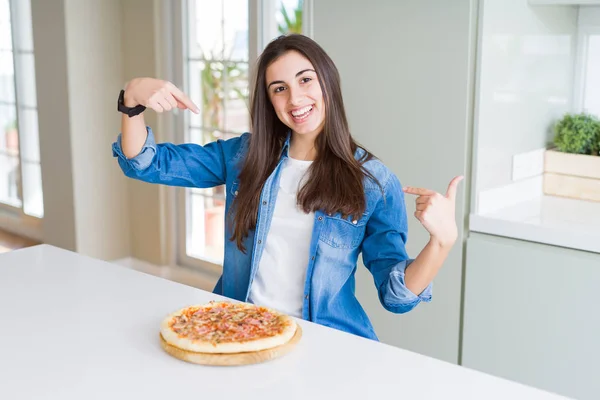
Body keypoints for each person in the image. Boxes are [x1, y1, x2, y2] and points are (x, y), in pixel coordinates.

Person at [112, 34, 463, 341]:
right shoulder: (243, 156)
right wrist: (132, 99)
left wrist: (441, 242)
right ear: (269, 100)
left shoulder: (372, 181)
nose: (295, 99)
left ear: (328, 82)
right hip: (240, 331)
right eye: (279, 88)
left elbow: (396, 296)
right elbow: (146, 162)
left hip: (329, 345)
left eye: (305, 80)